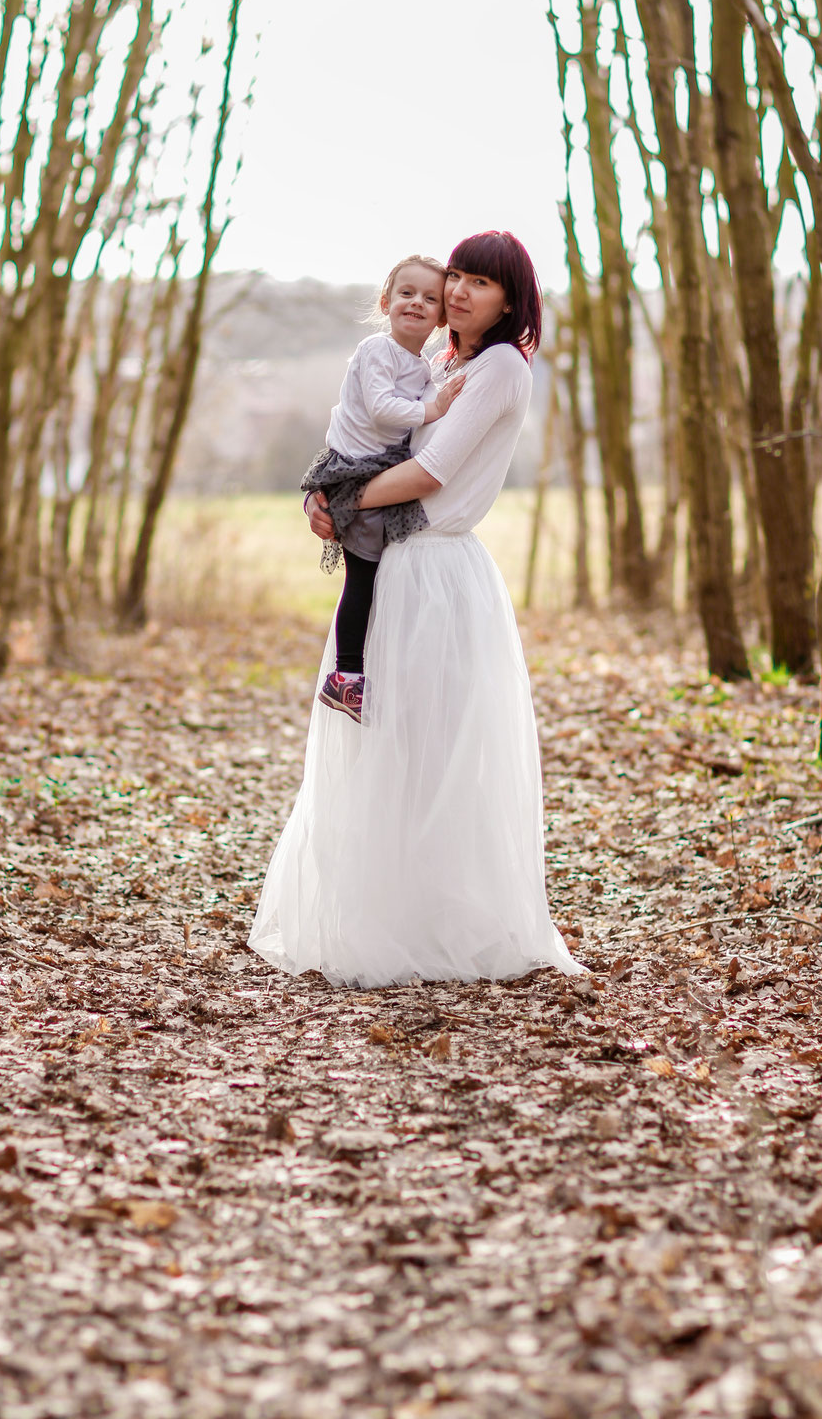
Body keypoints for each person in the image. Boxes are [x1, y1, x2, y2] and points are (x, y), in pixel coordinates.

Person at [248, 230, 586, 989]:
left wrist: (344, 498)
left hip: (438, 577)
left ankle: (444, 930)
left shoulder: (498, 368)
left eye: (481, 283)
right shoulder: (438, 363)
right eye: (456, 277)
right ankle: (381, 921)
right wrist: (322, 493)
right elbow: (371, 437)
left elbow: (430, 472)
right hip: (390, 566)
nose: (461, 293)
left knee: (430, 752)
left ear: (511, 300)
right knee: (381, 749)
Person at [301, 255, 465, 724]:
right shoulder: (377, 349)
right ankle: (347, 676)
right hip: (352, 470)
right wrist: (433, 409)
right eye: (407, 293)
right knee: (365, 576)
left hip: (377, 470)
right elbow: (380, 409)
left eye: (430, 299)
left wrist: (435, 399)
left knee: (383, 576)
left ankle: (377, 670)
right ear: (385, 302)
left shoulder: (423, 367)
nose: (417, 303)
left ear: (441, 318)